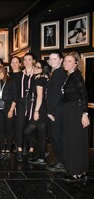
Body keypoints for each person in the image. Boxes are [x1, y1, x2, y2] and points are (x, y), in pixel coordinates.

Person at [62, 52, 90, 182]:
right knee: (75, 140)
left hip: (76, 110)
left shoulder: (76, 76)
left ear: (76, 63)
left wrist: (84, 114)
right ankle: (81, 170)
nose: (66, 63)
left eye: (69, 61)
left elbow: (84, 95)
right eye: (65, 61)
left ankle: (75, 172)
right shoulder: (70, 76)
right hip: (70, 110)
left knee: (75, 141)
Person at [24, 60, 51, 165]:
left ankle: (42, 158)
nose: (35, 68)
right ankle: (42, 153)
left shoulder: (40, 80)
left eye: (38, 67)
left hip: (40, 109)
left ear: (43, 69)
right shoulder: (42, 79)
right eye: (35, 66)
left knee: (31, 132)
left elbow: (39, 96)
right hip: (42, 108)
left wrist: (36, 111)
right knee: (39, 135)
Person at [46, 50, 67, 172]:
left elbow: (55, 95)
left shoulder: (59, 74)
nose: (52, 61)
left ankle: (62, 162)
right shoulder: (55, 73)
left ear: (61, 60)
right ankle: (60, 160)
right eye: (50, 59)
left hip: (56, 110)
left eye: (55, 59)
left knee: (57, 136)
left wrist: (50, 111)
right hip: (55, 109)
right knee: (54, 137)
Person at [0, 66, 17, 160]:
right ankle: (2, 150)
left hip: (8, 108)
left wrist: (11, 110)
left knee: (9, 130)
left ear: (5, 72)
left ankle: (8, 151)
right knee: (1, 130)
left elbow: (15, 97)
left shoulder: (12, 82)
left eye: (0, 72)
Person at [15, 52, 36, 161]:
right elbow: (16, 91)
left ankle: (31, 149)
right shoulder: (19, 75)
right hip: (21, 103)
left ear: (33, 61)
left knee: (31, 127)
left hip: (33, 103)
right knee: (20, 126)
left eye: (29, 59)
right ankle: (19, 149)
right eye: (25, 60)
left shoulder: (37, 73)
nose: (27, 62)